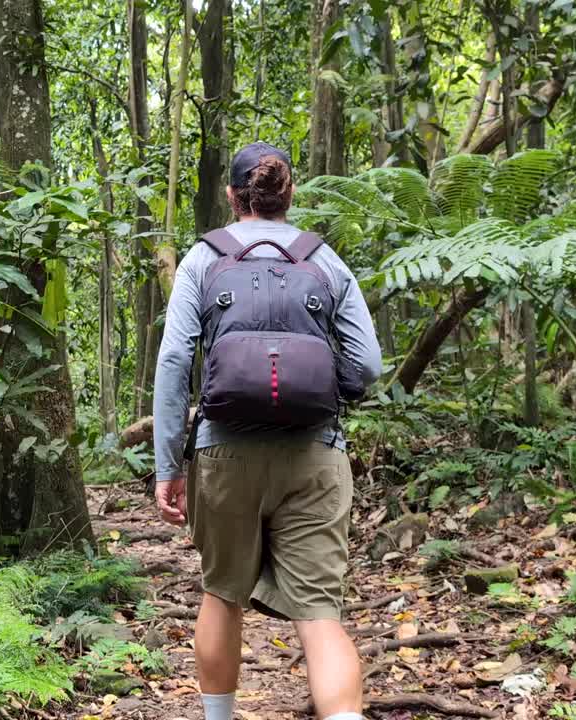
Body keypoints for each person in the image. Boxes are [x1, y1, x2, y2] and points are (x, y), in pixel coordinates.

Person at [153, 141, 383, 720]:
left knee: (222, 594)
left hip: (225, 453)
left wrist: (168, 467)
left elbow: (175, 364)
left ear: (232, 198)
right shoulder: (324, 260)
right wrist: (336, 396)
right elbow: (369, 365)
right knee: (320, 615)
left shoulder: (203, 261)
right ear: (291, 196)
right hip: (315, 454)